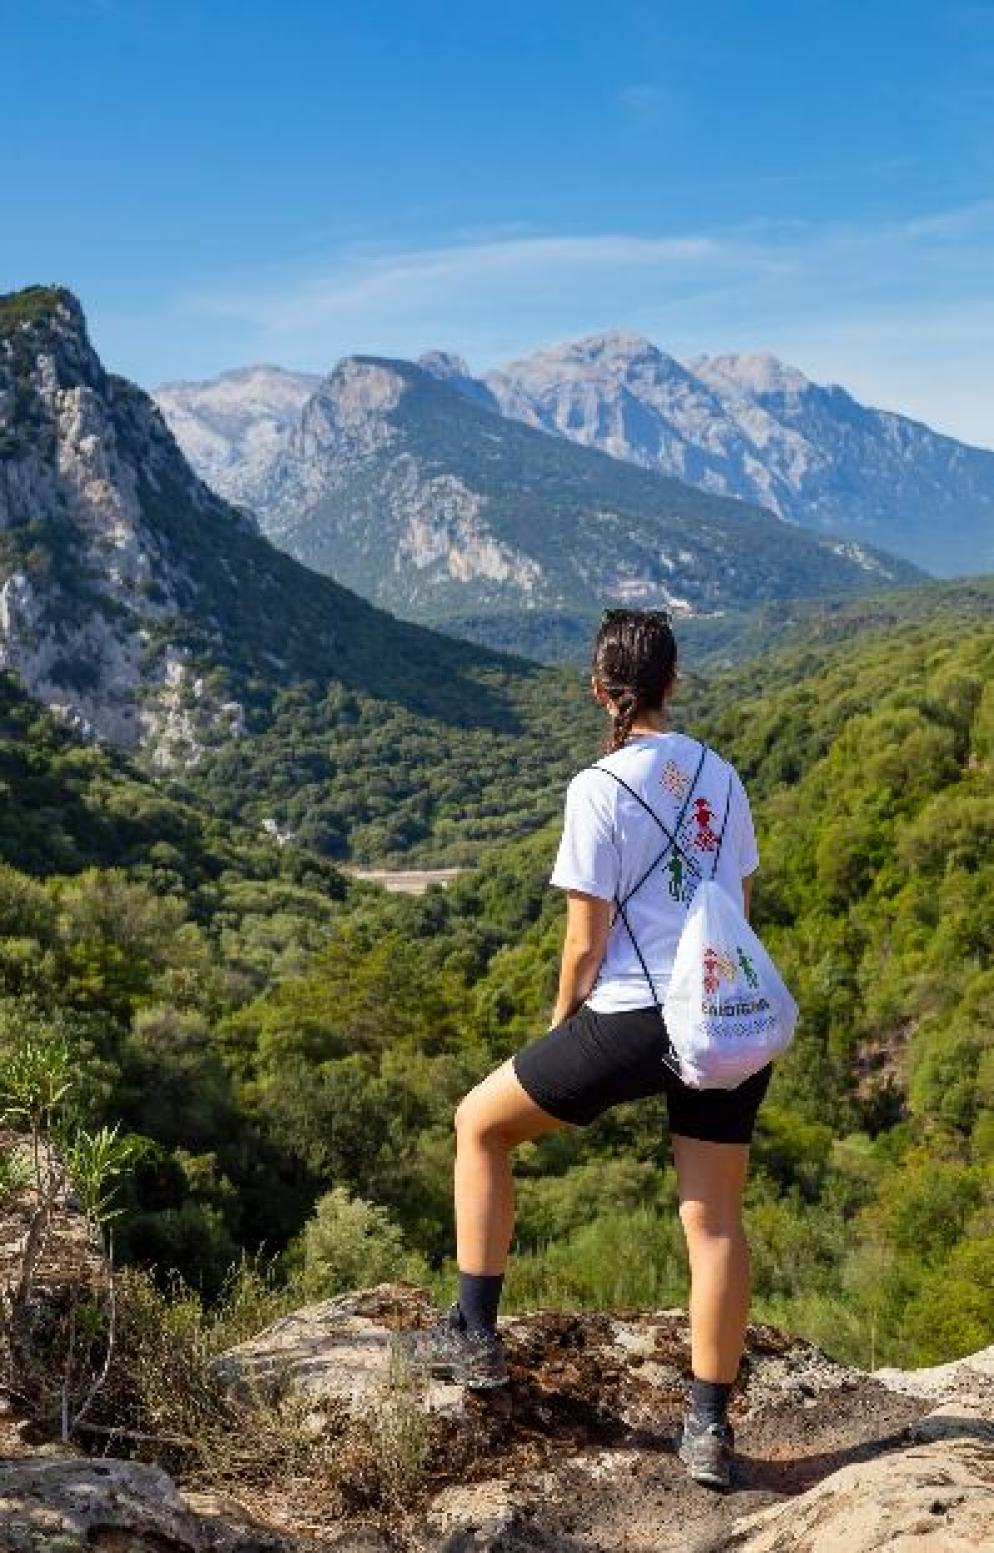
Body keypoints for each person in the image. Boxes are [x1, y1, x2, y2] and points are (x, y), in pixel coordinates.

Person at [399, 608, 773, 1491]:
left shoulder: (597, 787)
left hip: (631, 1017)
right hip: (721, 1020)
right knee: (714, 1223)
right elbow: (737, 908)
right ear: (672, 682)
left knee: (479, 1125)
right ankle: (709, 1429)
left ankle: (474, 1334)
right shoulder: (722, 774)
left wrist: (563, 1022)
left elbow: (583, 939)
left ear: (600, 690)